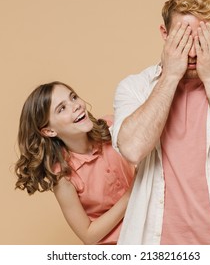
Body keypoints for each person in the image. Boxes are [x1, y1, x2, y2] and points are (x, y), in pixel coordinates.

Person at [111, 0, 210, 244]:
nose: (192, 52)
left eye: (200, 39)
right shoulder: (134, 87)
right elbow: (133, 148)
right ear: (164, 34)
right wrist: (170, 76)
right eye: (182, 39)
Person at [14, 81, 135, 245]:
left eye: (73, 97)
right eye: (61, 108)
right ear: (49, 131)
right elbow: (88, 235)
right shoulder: (63, 176)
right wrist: (132, 195)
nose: (75, 105)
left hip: (152, 230)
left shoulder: (111, 126)